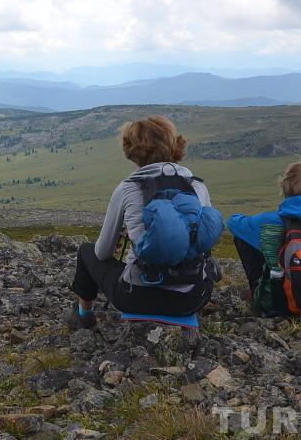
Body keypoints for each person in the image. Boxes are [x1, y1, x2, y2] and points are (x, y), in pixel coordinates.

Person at [66, 116, 223, 330]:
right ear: (174, 144)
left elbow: (102, 253)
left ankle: (84, 315)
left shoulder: (128, 188)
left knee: (87, 251)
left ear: (131, 150)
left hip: (137, 297)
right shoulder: (197, 186)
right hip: (194, 298)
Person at [227, 160, 301, 314]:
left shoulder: (268, 222)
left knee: (243, 237)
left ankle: (259, 290)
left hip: (276, 302)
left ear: (284, 186)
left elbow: (233, 222)